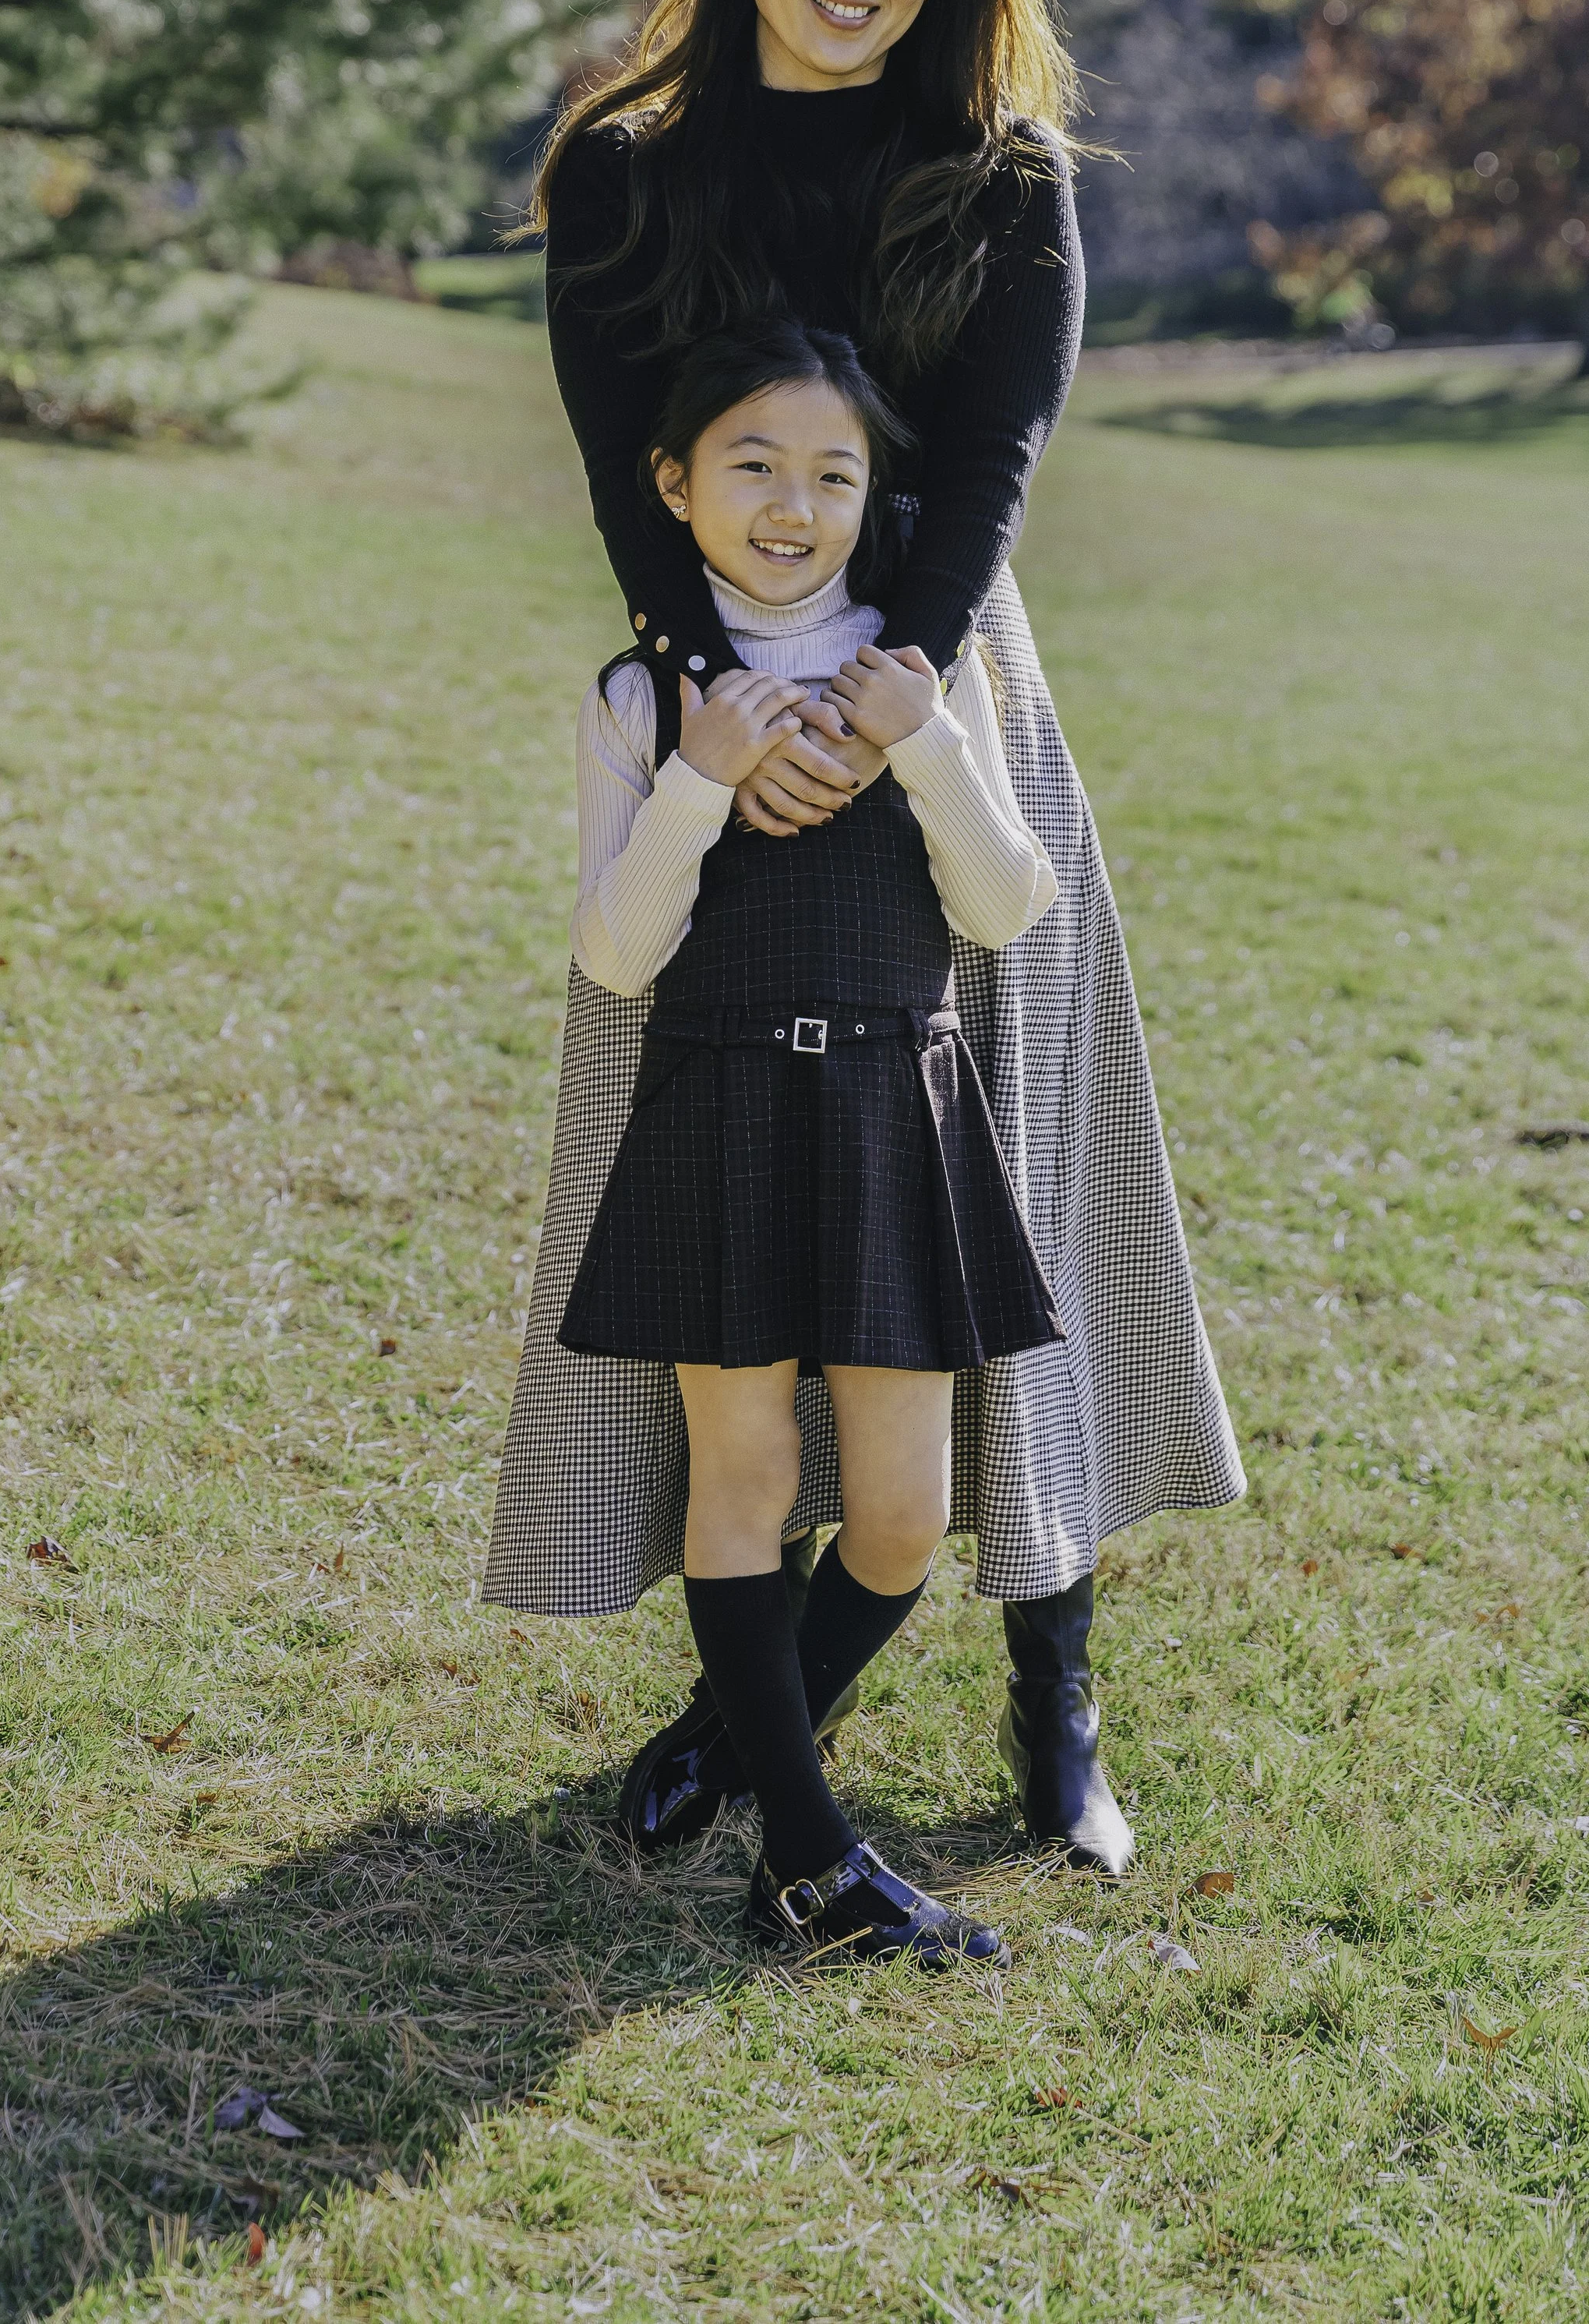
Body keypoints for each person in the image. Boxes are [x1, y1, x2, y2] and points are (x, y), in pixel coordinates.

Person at [482, 0, 1245, 1879]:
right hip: (708, 727)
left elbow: (984, 483)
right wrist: (734, 713)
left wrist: (880, 703)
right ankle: (759, 1694)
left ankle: (1050, 1677)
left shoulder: (1008, 184)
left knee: (1004, 1209)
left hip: (945, 705)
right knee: (722, 1225)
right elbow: (622, 477)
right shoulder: (622, 170)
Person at [554, 318, 1058, 1961]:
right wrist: (697, 786)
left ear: (872, 494)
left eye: (830, 473)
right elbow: (616, 956)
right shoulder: (645, 695)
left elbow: (1005, 908)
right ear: (672, 484)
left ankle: (724, 1735)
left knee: (900, 1519)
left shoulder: (924, 670)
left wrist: (917, 746)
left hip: (885, 1109)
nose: (790, 504)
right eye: (750, 466)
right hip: (716, 1107)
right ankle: (805, 1856)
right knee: (746, 1481)